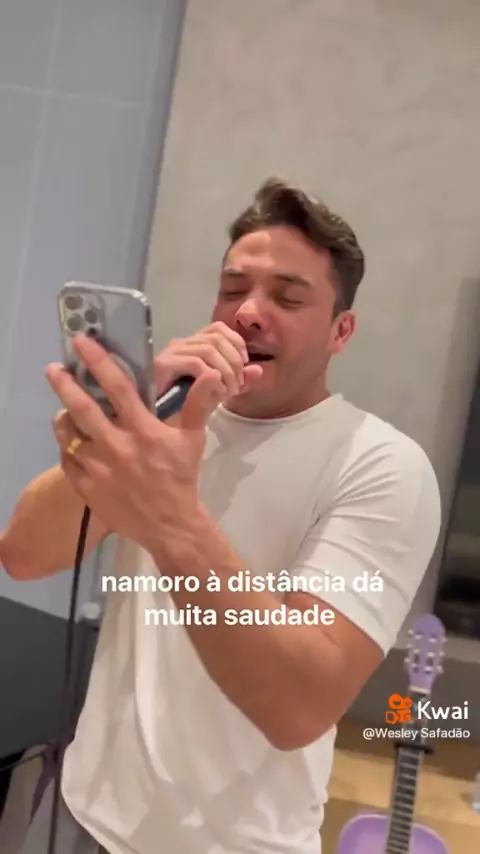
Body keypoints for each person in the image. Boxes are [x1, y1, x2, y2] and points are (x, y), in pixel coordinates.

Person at [0, 177, 441, 854]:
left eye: (288, 298)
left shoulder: (383, 466)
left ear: (341, 331)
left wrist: (171, 517)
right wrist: (119, 424)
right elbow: (25, 555)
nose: (249, 312)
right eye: (234, 289)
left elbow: (299, 704)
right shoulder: (167, 419)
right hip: (79, 808)